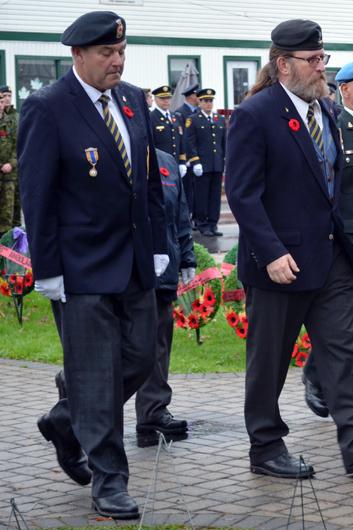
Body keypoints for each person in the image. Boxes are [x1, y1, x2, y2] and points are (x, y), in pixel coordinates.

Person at [225, 19, 353, 479]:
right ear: (283, 65)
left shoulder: (324, 110)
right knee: (269, 362)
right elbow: (243, 193)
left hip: (328, 259)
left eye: (323, 59)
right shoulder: (256, 114)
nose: (320, 68)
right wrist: (269, 253)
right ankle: (265, 448)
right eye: (312, 61)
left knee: (343, 353)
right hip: (279, 265)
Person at [18, 11, 168, 519]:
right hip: (79, 266)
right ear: (77, 56)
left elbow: (146, 180)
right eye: (106, 53)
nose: (117, 60)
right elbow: (36, 196)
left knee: (142, 357)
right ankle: (109, 482)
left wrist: (160, 241)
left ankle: (67, 417)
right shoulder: (47, 107)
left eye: (121, 52)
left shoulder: (133, 101)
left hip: (134, 260)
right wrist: (47, 269)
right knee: (97, 376)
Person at [301, 59, 353, 420]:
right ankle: (316, 375)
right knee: (352, 314)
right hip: (346, 240)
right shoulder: (335, 127)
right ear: (344, 89)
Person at [135, 149, 195, 437]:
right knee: (117, 348)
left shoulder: (166, 161)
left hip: (164, 269)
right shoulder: (114, 152)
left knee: (158, 340)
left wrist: (187, 256)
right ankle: (75, 398)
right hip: (124, 269)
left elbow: (180, 215)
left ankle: (153, 412)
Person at [185, 88, 226, 237]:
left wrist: (224, 161)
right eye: (206, 101)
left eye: (211, 101)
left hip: (216, 164)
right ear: (200, 102)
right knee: (201, 196)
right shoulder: (193, 119)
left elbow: (223, 143)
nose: (209, 104)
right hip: (201, 165)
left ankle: (213, 223)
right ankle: (201, 223)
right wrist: (195, 162)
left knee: (215, 196)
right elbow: (190, 143)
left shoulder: (219, 119)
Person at [174, 82, 199, 228]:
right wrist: (186, 159)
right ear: (192, 96)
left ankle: (194, 217)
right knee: (186, 192)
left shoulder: (196, 111)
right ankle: (186, 219)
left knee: (195, 192)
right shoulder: (181, 112)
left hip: (195, 160)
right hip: (187, 161)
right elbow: (183, 138)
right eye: (198, 95)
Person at [150, 85, 186, 168]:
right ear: (155, 100)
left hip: (175, 162)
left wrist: (182, 162)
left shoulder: (176, 117)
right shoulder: (151, 117)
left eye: (168, 98)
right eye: (163, 98)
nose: (166, 101)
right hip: (160, 163)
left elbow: (181, 141)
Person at [0, 85, 20, 230]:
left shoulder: (13, 120)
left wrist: (11, 163)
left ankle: (9, 247)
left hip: (12, 174)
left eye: (8, 97)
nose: (4, 101)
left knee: (11, 211)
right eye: (2, 98)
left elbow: (18, 145)